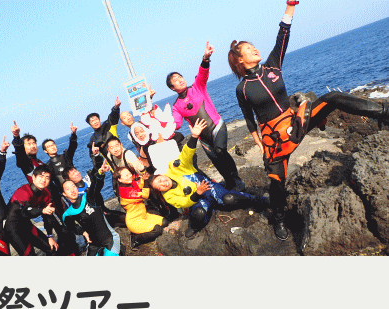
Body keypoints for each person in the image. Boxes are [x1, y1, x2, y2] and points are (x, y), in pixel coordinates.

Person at [227, 0, 389, 240]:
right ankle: (279, 220)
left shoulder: (272, 66)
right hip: (275, 139)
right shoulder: (241, 89)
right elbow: (248, 118)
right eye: (249, 49)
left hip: (297, 122)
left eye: (253, 46)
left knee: (332, 98)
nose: (255, 49)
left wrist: (290, 6)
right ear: (240, 60)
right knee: (276, 184)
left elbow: (283, 35)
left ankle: (383, 112)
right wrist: (257, 141)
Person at [150, 119, 268, 238]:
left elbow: (185, 155)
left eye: (160, 180)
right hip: (197, 200)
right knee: (199, 213)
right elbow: (183, 202)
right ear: (160, 191)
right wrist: (197, 193)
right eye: (159, 187)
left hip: (211, 188)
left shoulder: (175, 168)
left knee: (229, 199)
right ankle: (194, 226)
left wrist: (194, 137)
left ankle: (257, 199)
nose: (163, 184)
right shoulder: (168, 196)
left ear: (161, 175)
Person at [167, 42, 245, 191]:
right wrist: (161, 126)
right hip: (204, 139)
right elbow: (176, 124)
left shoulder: (197, 87)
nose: (180, 80)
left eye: (180, 77)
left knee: (220, 151)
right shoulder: (176, 106)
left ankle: (237, 180)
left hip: (216, 126)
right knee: (216, 161)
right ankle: (230, 183)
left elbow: (203, 73)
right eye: (175, 80)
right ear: (172, 88)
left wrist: (206, 57)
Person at [11, 120, 79, 253]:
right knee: (62, 229)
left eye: (33, 143)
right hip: (47, 203)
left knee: (67, 225)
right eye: (28, 144)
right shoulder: (27, 163)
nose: (32, 146)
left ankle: (73, 250)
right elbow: (20, 156)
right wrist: (16, 137)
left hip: (55, 199)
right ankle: (68, 253)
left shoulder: (39, 161)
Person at [4, 165, 69, 256]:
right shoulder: (23, 191)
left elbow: (48, 217)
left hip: (27, 226)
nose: (43, 180)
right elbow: (26, 211)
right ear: (33, 177)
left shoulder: (45, 194)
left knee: (53, 249)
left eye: (47, 177)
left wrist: (50, 236)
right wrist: (42, 210)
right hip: (12, 229)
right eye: (41, 176)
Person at [61, 163, 123, 256]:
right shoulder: (68, 214)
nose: (72, 190)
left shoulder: (89, 197)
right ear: (64, 194)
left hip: (110, 239)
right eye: (68, 189)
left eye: (73, 186)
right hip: (94, 245)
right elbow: (71, 227)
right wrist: (83, 232)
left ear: (77, 188)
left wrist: (101, 174)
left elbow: (96, 186)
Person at [116, 167, 169, 250]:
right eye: (126, 175)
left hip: (144, 215)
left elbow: (139, 184)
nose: (130, 176)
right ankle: (135, 239)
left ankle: (136, 233)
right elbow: (145, 195)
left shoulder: (129, 183)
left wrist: (143, 179)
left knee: (165, 222)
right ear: (119, 179)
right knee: (158, 230)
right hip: (134, 221)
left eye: (129, 173)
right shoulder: (125, 193)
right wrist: (146, 181)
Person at [61, 166, 126, 228]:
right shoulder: (75, 194)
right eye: (73, 174)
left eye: (76, 171)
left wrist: (101, 171)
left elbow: (96, 175)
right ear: (68, 179)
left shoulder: (87, 180)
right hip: (97, 217)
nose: (76, 173)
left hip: (104, 210)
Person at [86, 97, 121, 170]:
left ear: (99, 120)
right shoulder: (92, 140)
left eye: (96, 119)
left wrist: (116, 107)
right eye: (92, 121)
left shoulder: (108, 125)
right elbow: (95, 161)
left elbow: (113, 116)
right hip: (113, 166)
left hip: (123, 156)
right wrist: (96, 154)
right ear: (90, 125)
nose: (95, 122)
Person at [42, 122, 79, 189]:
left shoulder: (66, 156)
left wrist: (73, 134)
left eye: (53, 144)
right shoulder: (48, 166)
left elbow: (72, 146)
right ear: (45, 151)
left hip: (76, 186)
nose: (52, 147)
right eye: (49, 146)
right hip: (64, 191)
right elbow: (49, 184)